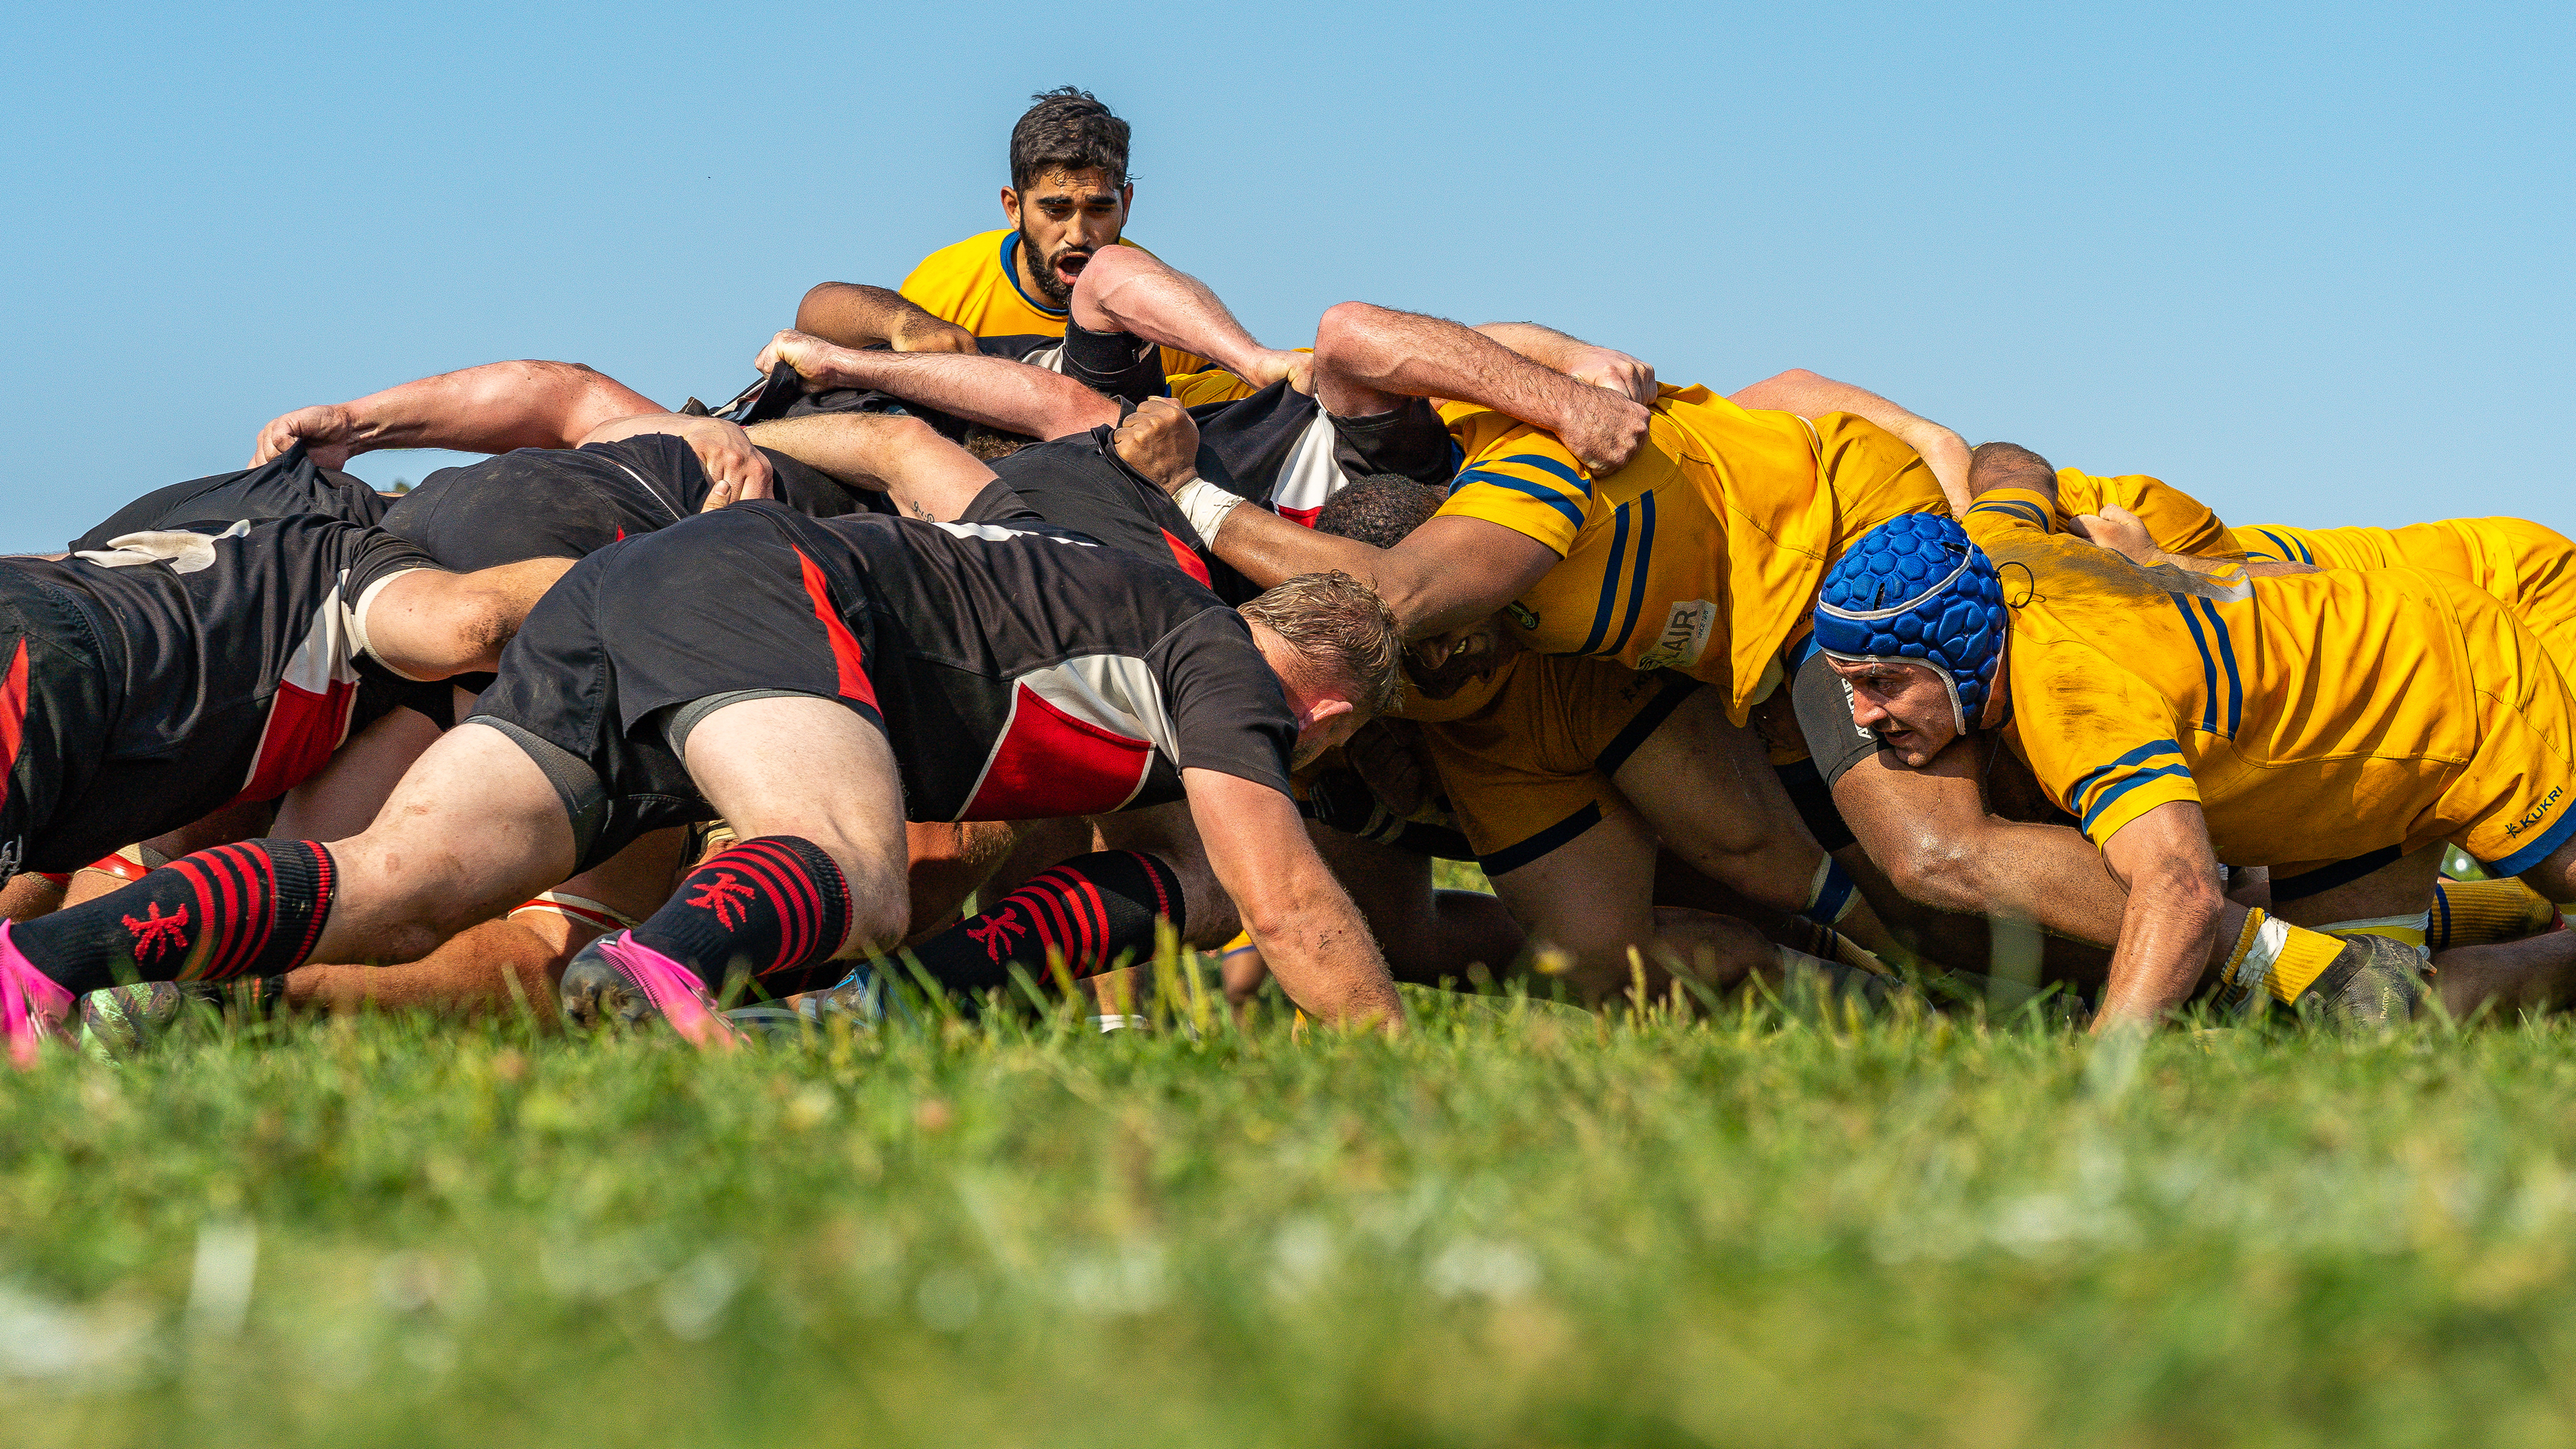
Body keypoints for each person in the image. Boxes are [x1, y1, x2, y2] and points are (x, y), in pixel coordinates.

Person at [0, 501, 1413, 1061]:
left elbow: (1191, 885)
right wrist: (1388, 1068)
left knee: (406, 884)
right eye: (1318, 747)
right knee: (844, 867)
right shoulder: (1221, 658)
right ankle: (663, 978)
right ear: (1331, 703)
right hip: (760, 587)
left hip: (622, 594)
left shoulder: (1140, 626)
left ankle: (49, 964)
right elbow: (1281, 895)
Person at [1805, 447, 2576, 1031]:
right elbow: (2010, 468)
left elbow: (2180, 889)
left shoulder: (2073, 696)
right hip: (2344, 784)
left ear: (1964, 651)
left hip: (2457, 686)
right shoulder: (1992, 553)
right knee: (2376, 1021)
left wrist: (2103, 1075)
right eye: (1850, 684)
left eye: (1883, 682)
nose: (1866, 715)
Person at [801, 88, 1206, 381]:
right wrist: (906, 323)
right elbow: (812, 320)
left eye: (1099, 209)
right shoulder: (950, 285)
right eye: (1056, 209)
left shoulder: (1162, 301)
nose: (1078, 234)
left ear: (1127, 204)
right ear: (1014, 208)